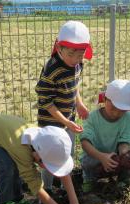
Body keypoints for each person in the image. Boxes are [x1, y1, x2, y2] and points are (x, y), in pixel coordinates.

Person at [35, 20, 92, 193]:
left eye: (80, 55)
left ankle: (62, 185)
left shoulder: (77, 64)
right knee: (49, 156)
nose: (75, 60)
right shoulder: (51, 69)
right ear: (59, 48)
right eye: (71, 55)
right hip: (50, 123)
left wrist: (79, 103)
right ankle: (48, 188)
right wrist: (65, 122)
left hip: (69, 119)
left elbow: (75, 85)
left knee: (66, 153)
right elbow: (46, 102)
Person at [79, 80, 130, 192]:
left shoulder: (128, 118)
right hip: (96, 158)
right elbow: (85, 143)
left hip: (115, 158)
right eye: (113, 108)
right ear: (105, 99)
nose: (116, 113)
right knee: (87, 161)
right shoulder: (92, 117)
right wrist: (102, 157)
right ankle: (89, 179)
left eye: (122, 110)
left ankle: (123, 180)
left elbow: (124, 142)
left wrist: (124, 155)